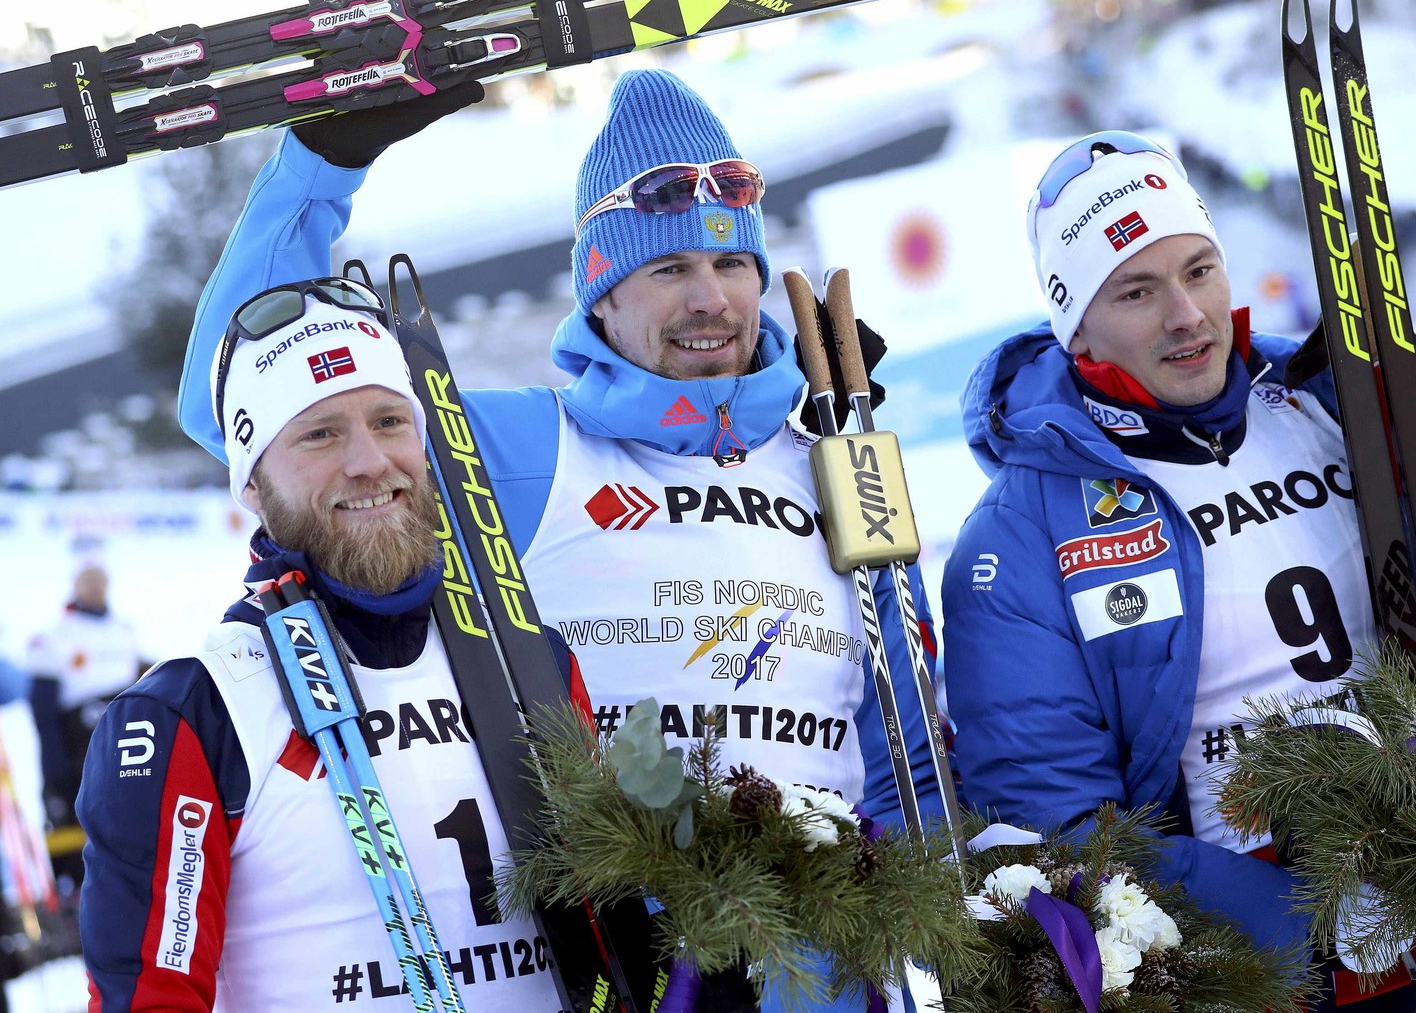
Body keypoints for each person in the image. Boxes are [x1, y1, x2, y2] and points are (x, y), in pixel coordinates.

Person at [167, 70, 944, 1011]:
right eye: (666, 271)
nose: (710, 300)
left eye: (732, 265)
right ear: (599, 295)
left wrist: (936, 928)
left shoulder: (838, 453)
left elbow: (904, 741)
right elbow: (247, 398)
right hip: (626, 956)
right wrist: (324, 163)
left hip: (826, 961)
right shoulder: (520, 444)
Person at [938, 131, 1416, 1011]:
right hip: (1248, 967)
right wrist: (1292, 917)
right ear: (1077, 325)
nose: (1186, 314)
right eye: (1137, 291)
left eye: (1199, 270)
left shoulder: (1329, 407)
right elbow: (1052, 824)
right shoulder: (1023, 531)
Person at [77, 286, 579, 1011]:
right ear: (252, 481)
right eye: (319, 434)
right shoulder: (191, 713)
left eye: (389, 420)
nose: (371, 461)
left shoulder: (534, 661)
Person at [26, 561, 150, 892]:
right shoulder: (55, 636)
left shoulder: (122, 630)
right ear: (75, 585)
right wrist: (53, 764)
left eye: (100, 581)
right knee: (73, 820)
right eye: (88, 581)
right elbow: (43, 709)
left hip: (122, 737)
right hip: (76, 744)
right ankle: (74, 895)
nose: (95, 588)